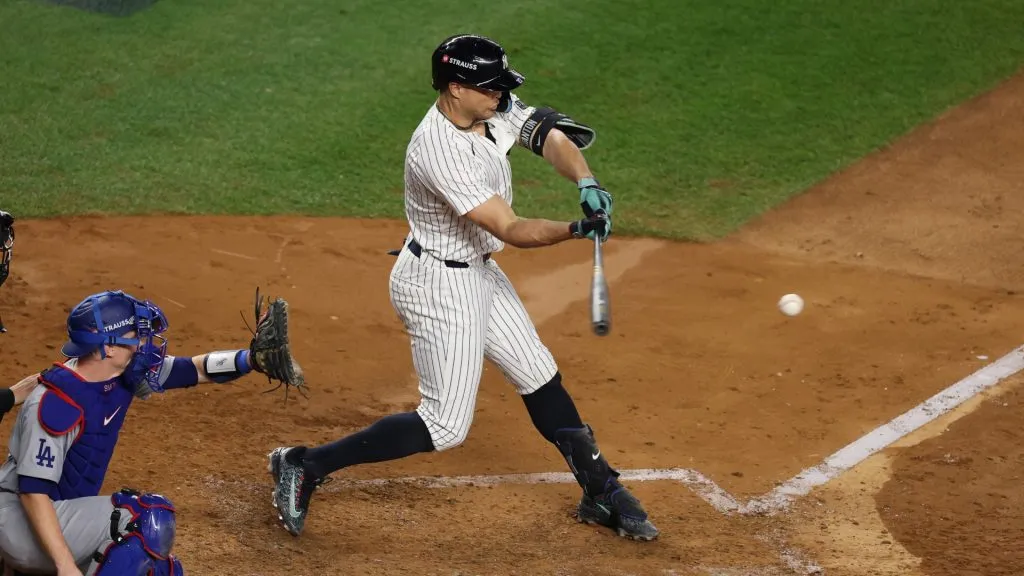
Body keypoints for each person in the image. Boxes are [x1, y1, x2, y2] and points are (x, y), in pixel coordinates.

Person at [268, 33, 658, 541]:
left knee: (538, 374)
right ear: (456, 88)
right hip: (436, 284)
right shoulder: (438, 150)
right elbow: (511, 230)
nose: (500, 96)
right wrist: (574, 229)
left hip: (479, 270)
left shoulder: (487, 104)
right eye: (489, 88)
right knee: (446, 425)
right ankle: (304, 464)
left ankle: (599, 490)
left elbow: (548, 135)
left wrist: (587, 181)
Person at [0, 288, 302, 575]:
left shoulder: (122, 372)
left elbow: (192, 370)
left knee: (157, 569)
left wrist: (249, 360)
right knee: (147, 519)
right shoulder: (57, 401)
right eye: (136, 336)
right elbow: (33, 493)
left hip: (57, 514)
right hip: (18, 525)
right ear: (108, 346)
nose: (145, 344)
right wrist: (65, 566)